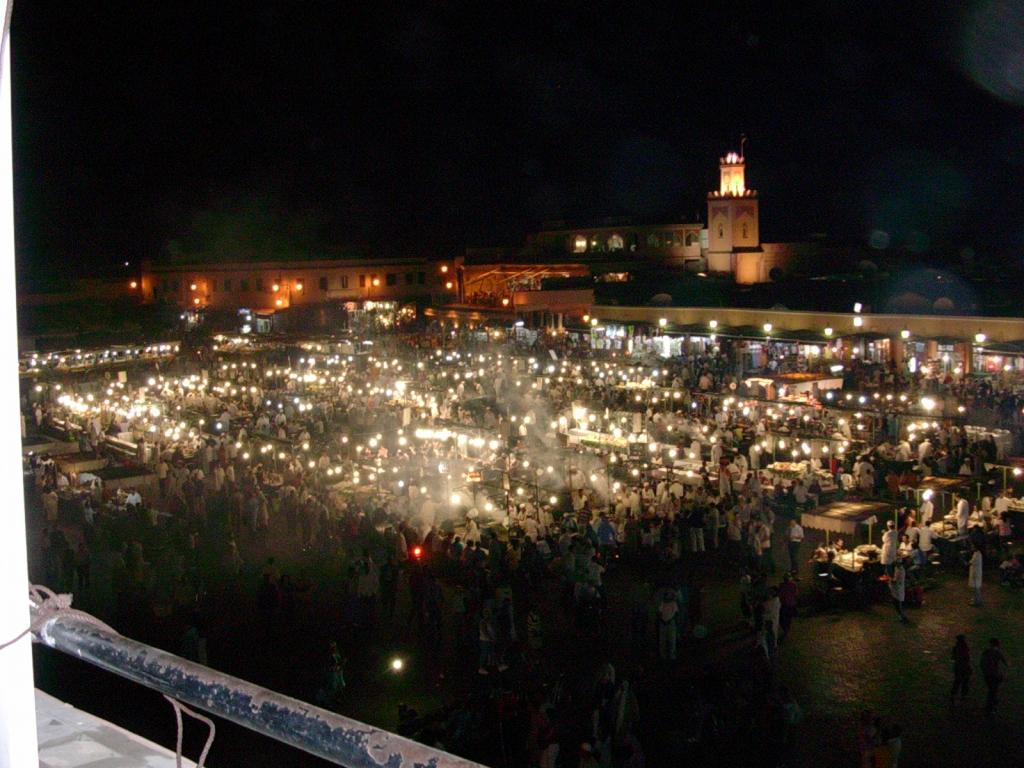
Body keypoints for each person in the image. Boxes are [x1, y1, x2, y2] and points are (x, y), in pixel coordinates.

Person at [980, 638, 1008, 715]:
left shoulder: (986, 652)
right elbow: (1005, 663)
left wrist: (984, 671)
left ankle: (990, 706)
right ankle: (992, 707)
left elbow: (982, 663)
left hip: (988, 674)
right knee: (994, 691)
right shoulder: (998, 652)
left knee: (991, 690)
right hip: (995, 674)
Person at [950, 634, 971, 705]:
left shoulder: (955, 648)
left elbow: (952, 658)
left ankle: (953, 694)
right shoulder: (965, 648)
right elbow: (967, 658)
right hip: (964, 666)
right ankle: (963, 695)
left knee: (957, 681)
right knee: (965, 681)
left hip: (958, 666)